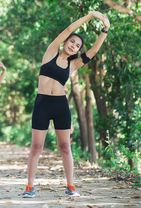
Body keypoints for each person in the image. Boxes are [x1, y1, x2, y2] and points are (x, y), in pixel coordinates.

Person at [22, 11, 110, 198]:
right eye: (72, 42)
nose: (74, 46)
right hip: (42, 104)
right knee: (36, 147)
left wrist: (105, 30)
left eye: (77, 46)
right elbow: (70, 29)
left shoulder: (73, 65)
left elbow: (93, 52)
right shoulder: (51, 52)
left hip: (60, 105)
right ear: (65, 42)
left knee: (64, 147)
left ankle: (70, 186)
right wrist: (90, 16)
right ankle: (29, 187)